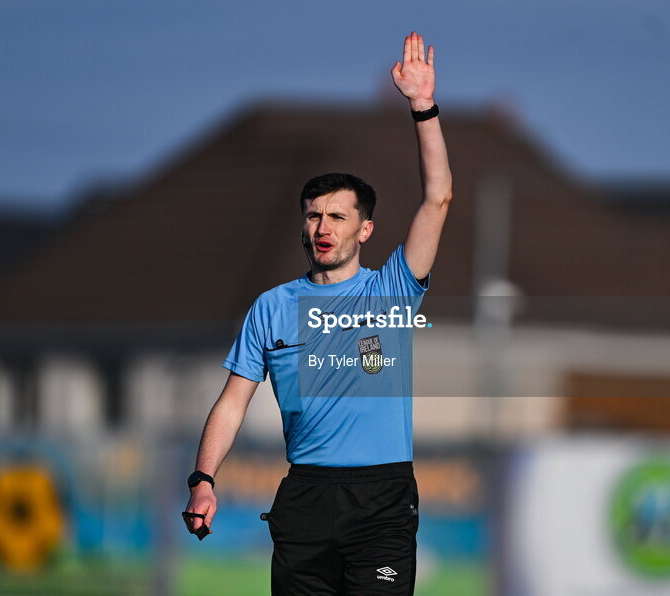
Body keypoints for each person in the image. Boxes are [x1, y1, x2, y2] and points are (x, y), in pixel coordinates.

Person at [183, 31, 452, 595]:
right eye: (313, 217)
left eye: (336, 216)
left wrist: (422, 107)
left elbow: (438, 197)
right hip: (306, 498)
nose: (323, 228)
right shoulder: (272, 307)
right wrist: (204, 479)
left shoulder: (393, 291)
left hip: (382, 501)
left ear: (365, 229)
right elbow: (233, 403)